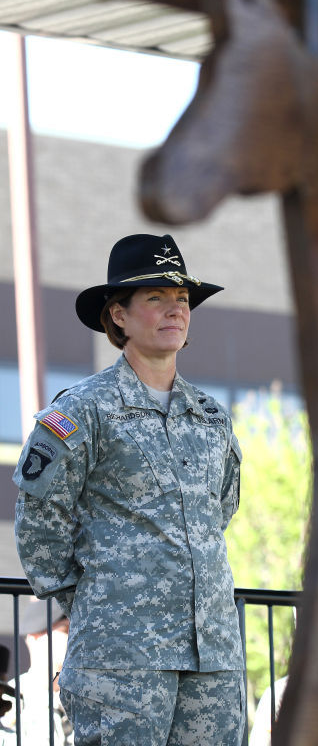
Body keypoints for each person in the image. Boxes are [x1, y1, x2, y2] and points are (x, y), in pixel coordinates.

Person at [14, 233, 245, 746]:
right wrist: (100, 605)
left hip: (214, 656)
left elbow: (218, 510)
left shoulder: (211, 417)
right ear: (118, 316)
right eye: (155, 298)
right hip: (120, 658)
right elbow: (40, 525)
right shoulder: (81, 410)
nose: (174, 310)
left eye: (182, 299)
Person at [1, 599, 73, 745]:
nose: (77, 641)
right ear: (36, 637)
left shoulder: (89, 698)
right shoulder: (10, 701)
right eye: (66, 630)